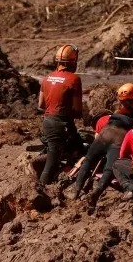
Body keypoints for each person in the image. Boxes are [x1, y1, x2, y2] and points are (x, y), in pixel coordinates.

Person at [37, 44, 83, 184]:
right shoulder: (74, 79)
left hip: (48, 122)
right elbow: (77, 109)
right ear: (73, 62)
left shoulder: (47, 78)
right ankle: (40, 188)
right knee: (52, 162)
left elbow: (40, 105)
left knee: (75, 146)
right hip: (61, 123)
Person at [70, 112, 133, 206]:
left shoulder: (105, 119)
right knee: (109, 169)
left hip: (105, 133)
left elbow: (96, 136)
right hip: (119, 138)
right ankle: (97, 191)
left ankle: (76, 191)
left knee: (88, 160)